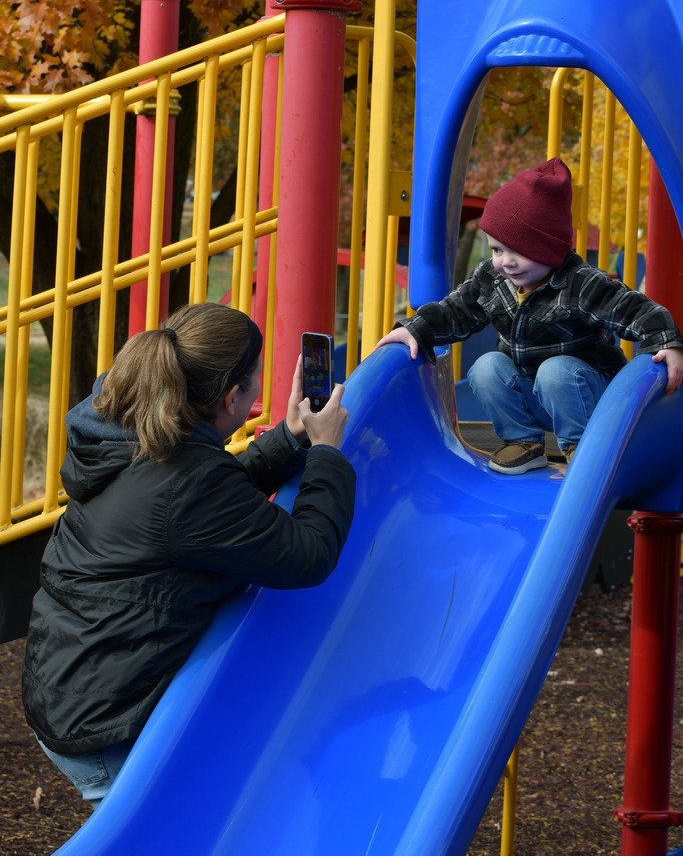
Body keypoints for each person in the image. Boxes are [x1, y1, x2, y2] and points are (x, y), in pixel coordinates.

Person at [22, 302, 356, 808]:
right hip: (104, 724)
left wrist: (289, 440)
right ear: (229, 398)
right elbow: (309, 553)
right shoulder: (188, 481)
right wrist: (328, 452)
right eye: (255, 383)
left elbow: (202, 511)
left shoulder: (132, 429)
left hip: (69, 679)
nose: (258, 394)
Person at [376, 158, 683, 474]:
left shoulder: (580, 282)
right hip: (535, 396)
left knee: (555, 371)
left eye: (519, 251)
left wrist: (666, 343)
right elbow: (455, 312)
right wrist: (416, 330)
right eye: (496, 250)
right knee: (485, 367)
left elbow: (637, 310)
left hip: (588, 399)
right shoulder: (493, 279)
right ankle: (523, 442)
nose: (505, 262)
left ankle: (581, 447)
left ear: (549, 249)